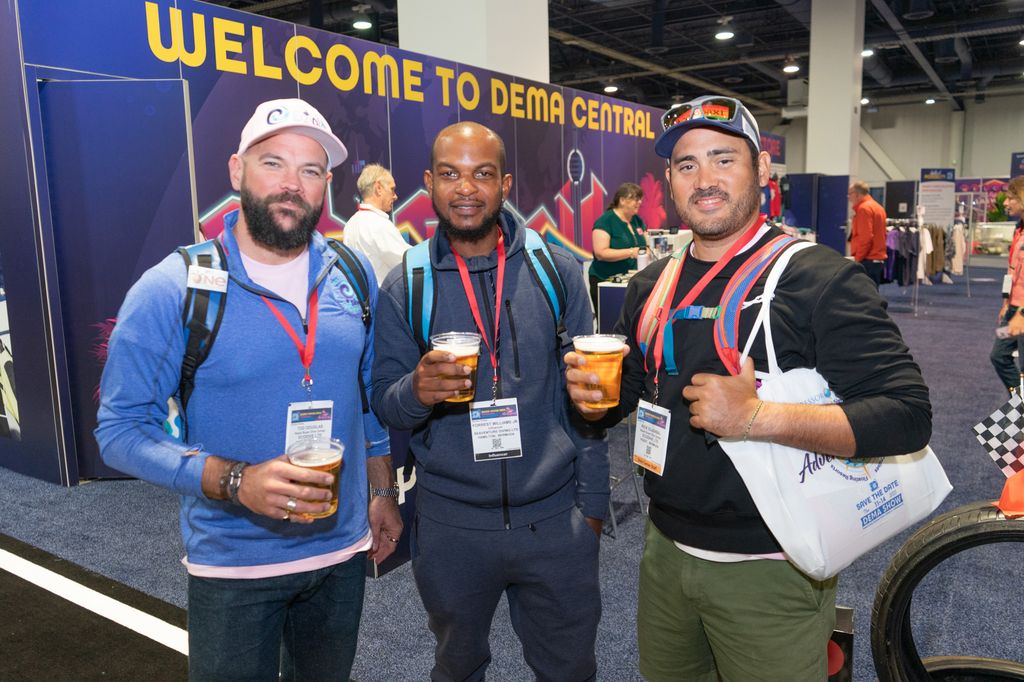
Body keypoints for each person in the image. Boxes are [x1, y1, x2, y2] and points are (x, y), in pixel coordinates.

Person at [565, 95, 931, 681]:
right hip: (664, 550)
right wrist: (591, 403)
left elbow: (907, 416)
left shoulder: (818, 278)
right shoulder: (652, 284)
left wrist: (757, 418)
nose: (704, 179)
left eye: (723, 159)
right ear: (669, 181)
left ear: (761, 169)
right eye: (686, 165)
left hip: (770, 565)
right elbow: (634, 390)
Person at [96, 98, 402, 681]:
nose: (292, 184)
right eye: (273, 163)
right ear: (237, 170)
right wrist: (235, 480)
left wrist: (383, 489)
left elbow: (365, 395)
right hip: (235, 562)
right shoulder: (174, 287)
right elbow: (119, 431)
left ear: (327, 185)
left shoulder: (351, 272)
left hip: (339, 553)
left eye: (310, 170)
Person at [371, 121, 608, 682]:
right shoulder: (407, 285)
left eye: (481, 174)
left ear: (505, 184)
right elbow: (385, 402)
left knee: (570, 670)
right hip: (450, 526)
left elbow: (588, 403)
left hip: (554, 518)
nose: (465, 188)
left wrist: (593, 508)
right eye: (449, 174)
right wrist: (416, 392)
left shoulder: (556, 272)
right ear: (429, 182)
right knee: (457, 667)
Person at [343, 163, 410, 283]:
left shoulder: (350, 225)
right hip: (383, 293)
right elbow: (408, 262)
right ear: (378, 188)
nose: (395, 196)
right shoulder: (379, 225)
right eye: (392, 189)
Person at [989, 176, 1024, 393]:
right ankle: (1020, 402)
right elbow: (1011, 269)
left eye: (1011, 198)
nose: (1006, 203)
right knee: (999, 355)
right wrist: (1005, 302)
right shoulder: (1018, 229)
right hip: (1013, 309)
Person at [588, 182, 648, 306]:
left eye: (640, 199)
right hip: (606, 282)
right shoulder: (605, 221)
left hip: (631, 281)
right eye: (635, 199)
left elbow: (646, 245)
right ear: (622, 200)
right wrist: (631, 252)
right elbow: (600, 253)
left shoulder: (637, 220)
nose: (639, 202)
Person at [848, 179, 888, 288]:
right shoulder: (878, 207)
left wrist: (858, 259)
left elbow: (865, 238)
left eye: (850, 194)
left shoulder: (863, 209)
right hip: (876, 259)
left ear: (857, 194)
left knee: (863, 293)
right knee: (872, 292)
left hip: (867, 260)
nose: (848, 197)